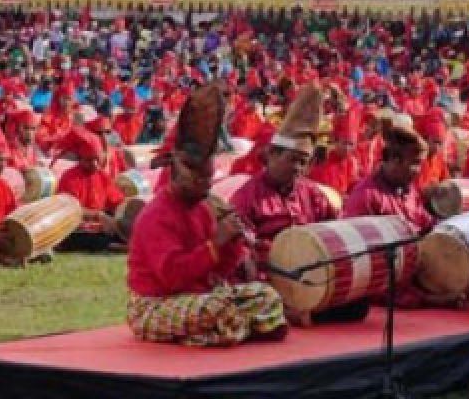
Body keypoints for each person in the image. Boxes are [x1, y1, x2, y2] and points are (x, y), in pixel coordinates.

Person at [126, 83, 287, 346]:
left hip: (201, 295)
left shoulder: (205, 208)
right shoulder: (156, 215)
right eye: (201, 181)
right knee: (216, 309)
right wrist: (215, 244)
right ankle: (235, 328)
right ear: (178, 176)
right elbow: (173, 278)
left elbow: (218, 273)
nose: (207, 187)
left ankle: (226, 330)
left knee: (266, 295)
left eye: (209, 180)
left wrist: (235, 246)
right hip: (156, 304)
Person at [344, 118, 460, 308]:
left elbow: (425, 223)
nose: (417, 171)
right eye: (414, 164)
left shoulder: (408, 189)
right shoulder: (366, 196)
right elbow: (361, 257)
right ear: (395, 160)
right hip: (385, 277)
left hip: (413, 266)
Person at [230, 84, 339, 274]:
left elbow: (333, 227)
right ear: (272, 154)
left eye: (303, 162)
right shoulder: (247, 197)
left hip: (314, 274)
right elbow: (239, 247)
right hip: (271, 275)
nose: (298, 168)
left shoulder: (312, 192)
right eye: (293, 160)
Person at [56, 130, 124, 251]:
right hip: (74, 227)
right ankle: (123, 248)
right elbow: (70, 210)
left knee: (123, 227)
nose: (95, 164)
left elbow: (117, 201)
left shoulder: (102, 176)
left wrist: (126, 212)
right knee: (91, 239)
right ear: (80, 158)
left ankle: (124, 244)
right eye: (89, 160)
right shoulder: (69, 177)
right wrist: (99, 215)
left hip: (99, 225)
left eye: (97, 159)